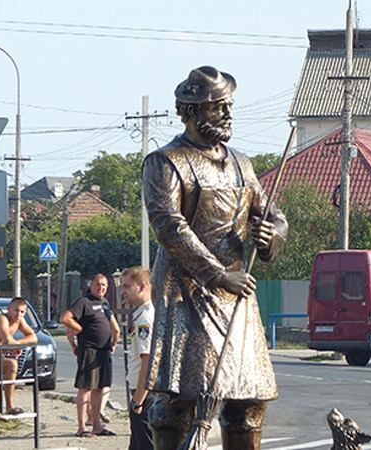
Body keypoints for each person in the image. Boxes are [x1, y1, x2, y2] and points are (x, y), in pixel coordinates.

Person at [142, 66, 288, 450]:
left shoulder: (241, 163)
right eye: (217, 107)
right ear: (190, 111)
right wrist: (218, 274)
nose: (227, 114)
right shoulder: (165, 162)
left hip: (238, 293)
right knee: (180, 401)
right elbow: (169, 226)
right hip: (187, 293)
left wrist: (272, 234)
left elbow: (272, 213)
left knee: (247, 402)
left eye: (228, 106)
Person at [60, 274, 120, 437]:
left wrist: (114, 341)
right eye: (98, 284)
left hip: (104, 351)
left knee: (99, 389)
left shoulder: (105, 303)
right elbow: (65, 319)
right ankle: (81, 427)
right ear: (91, 285)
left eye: (104, 285)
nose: (101, 287)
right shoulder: (83, 302)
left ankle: (97, 426)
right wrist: (78, 331)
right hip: (89, 351)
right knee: (85, 388)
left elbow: (115, 327)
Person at [0, 297, 38, 448]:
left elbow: (33, 338)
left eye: (22, 312)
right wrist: (15, 345)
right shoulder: (1, 319)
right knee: (11, 364)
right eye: (16, 310)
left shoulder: (20, 321)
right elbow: (7, 340)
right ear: (9, 309)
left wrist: (18, 344)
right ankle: (10, 405)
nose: (19, 314)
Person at [122, 266, 155, 450]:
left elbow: (147, 360)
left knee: (145, 445)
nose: (123, 292)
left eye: (127, 287)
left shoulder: (145, 318)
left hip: (145, 395)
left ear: (141, 286)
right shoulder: (143, 313)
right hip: (145, 393)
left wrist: (138, 400)